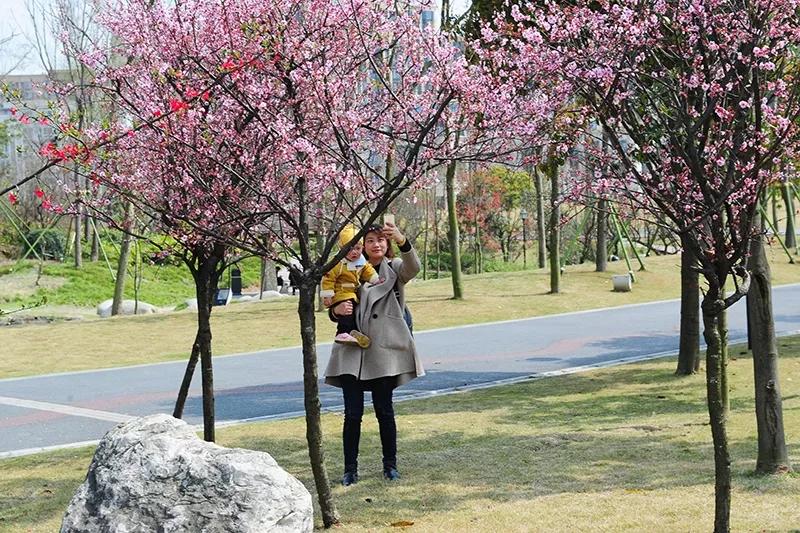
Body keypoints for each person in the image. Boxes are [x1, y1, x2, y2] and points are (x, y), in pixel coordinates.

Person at [324, 221, 424, 486]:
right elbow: (332, 296)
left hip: (382, 352)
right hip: (352, 350)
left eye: (381, 239)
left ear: (387, 243)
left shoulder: (395, 270)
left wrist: (403, 240)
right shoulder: (350, 267)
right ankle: (350, 470)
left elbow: (414, 267)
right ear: (361, 244)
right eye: (370, 240)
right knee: (352, 414)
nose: (376, 244)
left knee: (384, 411)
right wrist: (335, 311)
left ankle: (390, 466)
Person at [321, 224, 380, 347]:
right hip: (341, 292)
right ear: (342, 248)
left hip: (352, 292)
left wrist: (375, 279)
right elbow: (328, 279)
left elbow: (367, 270)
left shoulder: (361, 261)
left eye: (358, 249)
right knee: (348, 308)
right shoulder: (338, 263)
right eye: (350, 249)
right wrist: (327, 296)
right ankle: (342, 332)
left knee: (351, 308)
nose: (354, 252)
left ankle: (353, 331)